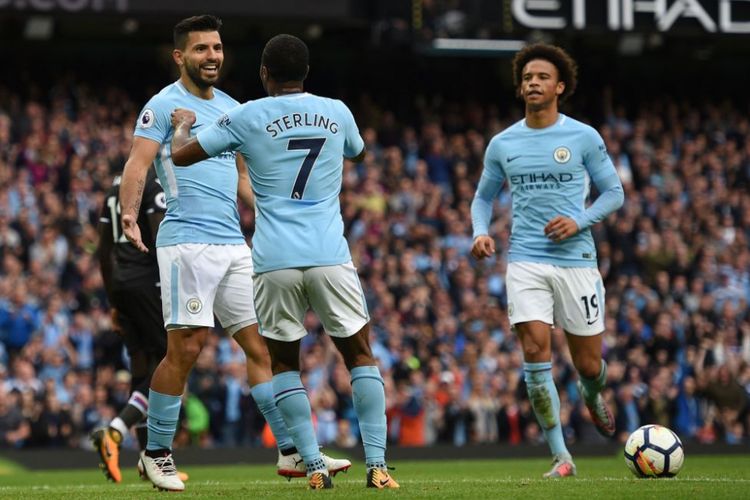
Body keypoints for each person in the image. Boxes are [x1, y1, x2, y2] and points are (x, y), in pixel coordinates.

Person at [118, 17, 349, 492]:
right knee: (186, 348)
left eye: (217, 48)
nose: (212, 56)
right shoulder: (163, 106)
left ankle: (289, 451)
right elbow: (137, 164)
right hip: (187, 242)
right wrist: (127, 216)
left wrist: (272, 214)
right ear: (180, 56)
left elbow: (244, 178)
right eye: (201, 49)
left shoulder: (234, 109)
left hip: (232, 244)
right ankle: (156, 453)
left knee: (262, 345)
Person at [170, 34, 399, 490]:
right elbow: (358, 150)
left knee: (284, 365)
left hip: (274, 259)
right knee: (359, 355)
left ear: (263, 74)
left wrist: (182, 124)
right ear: (306, 73)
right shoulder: (337, 110)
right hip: (330, 254)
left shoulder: (247, 114)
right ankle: (377, 466)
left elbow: (182, 156)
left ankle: (313, 465)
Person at [470, 43, 624, 478]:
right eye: (527, 78)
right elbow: (483, 199)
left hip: (577, 261)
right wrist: (480, 232)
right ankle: (561, 457)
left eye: (541, 77)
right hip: (525, 261)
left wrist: (578, 221)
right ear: (521, 89)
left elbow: (614, 193)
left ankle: (591, 393)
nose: (533, 82)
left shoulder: (583, 137)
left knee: (589, 365)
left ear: (560, 86)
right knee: (535, 354)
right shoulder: (503, 143)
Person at [94, 169, 192, 484]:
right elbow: (160, 235)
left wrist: (113, 301)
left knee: (142, 364)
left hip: (120, 282)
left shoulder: (113, 189)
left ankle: (145, 459)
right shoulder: (153, 184)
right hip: (147, 281)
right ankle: (116, 432)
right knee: (170, 360)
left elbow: (103, 250)